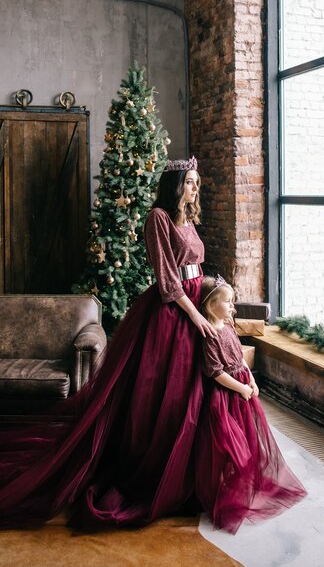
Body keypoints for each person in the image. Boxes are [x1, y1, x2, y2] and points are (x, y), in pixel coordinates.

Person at [0, 155, 216, 529]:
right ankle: (158, 474)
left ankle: (190, 476)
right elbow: (167, 280)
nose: (196, 187)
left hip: (197, 304)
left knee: (195, 395)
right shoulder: (158, 218)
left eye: (197, 182)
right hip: (173, 314)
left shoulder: (189, 219)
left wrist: (213, 302)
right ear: (175, 184)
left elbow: (196, 267)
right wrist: (195, 316)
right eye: (191, 181)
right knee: (170, 396)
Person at [194, 275, 307, 534]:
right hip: (226, 396)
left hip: (244, 389)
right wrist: (242, 387)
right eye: (228, 302)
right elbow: (215, 372)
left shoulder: (229, 325)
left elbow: (239, 356)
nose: (232, 307)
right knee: (230, 444)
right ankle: (229, 488)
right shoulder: (211, 335)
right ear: (211, 306)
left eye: (232, 302)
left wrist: (251, 380)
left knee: (250, 436)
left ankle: (245, 484)